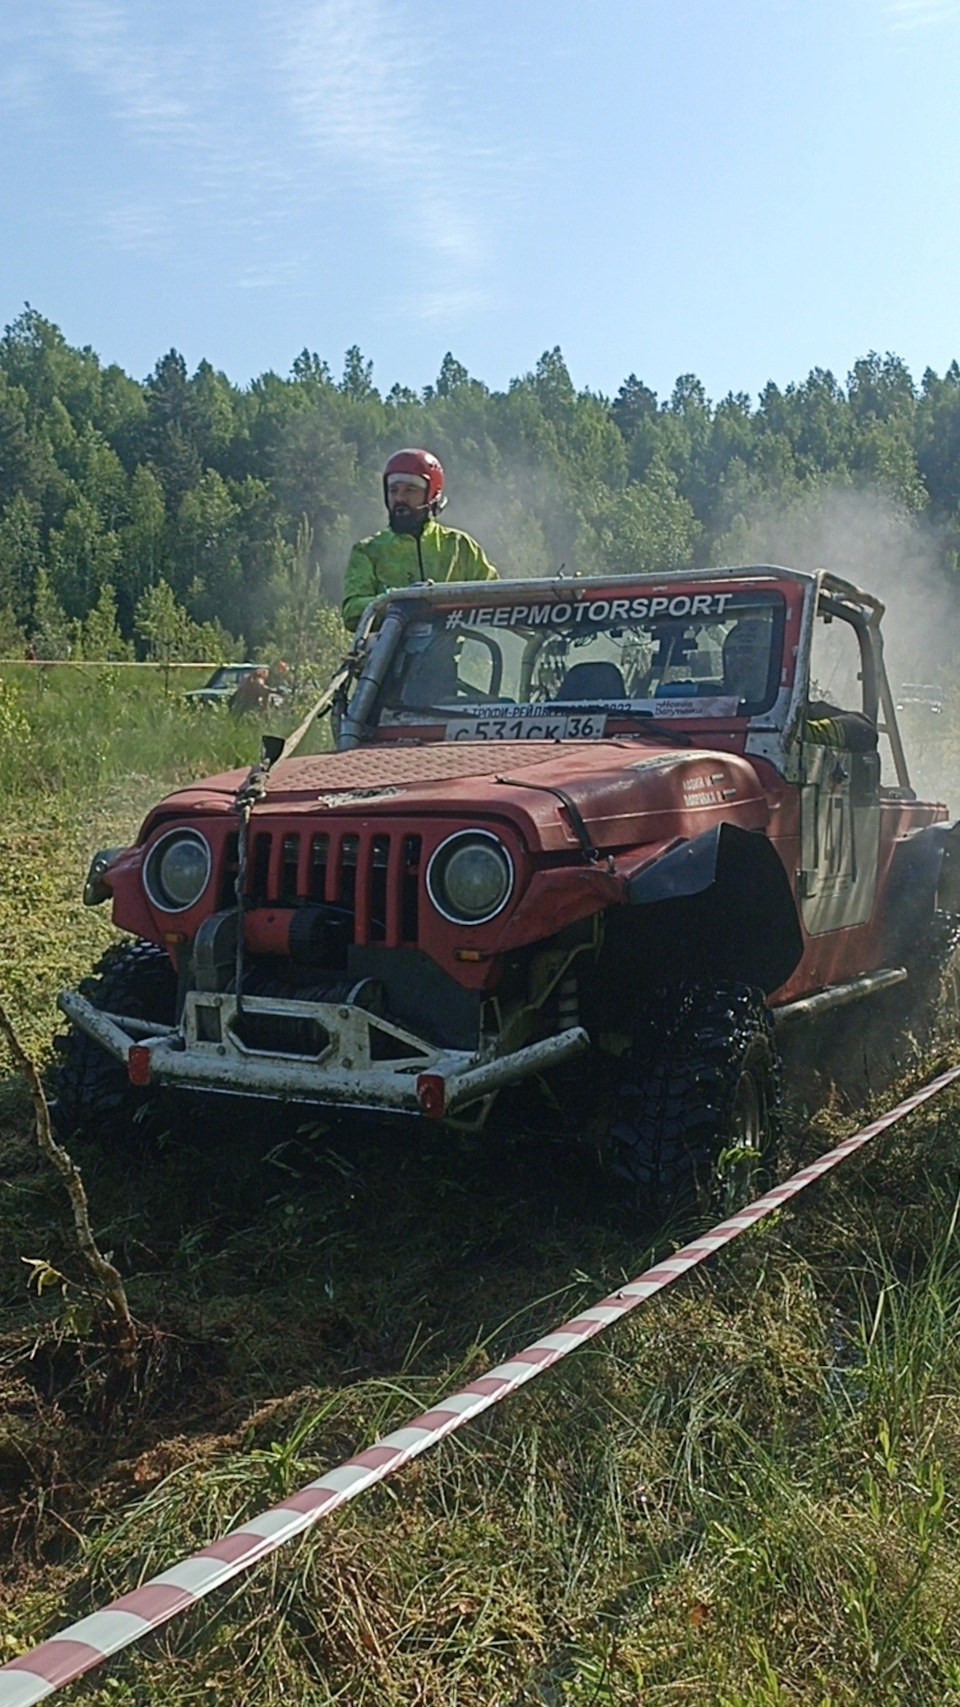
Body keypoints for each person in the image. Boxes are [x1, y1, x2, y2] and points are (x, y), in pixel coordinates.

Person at [341, 449, 498, 631]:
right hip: (389, 658)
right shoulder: (368, 551)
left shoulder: (459, 547)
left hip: (451, 657)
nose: (400, 498)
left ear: (432, 496)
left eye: (410, 490)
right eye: (393, 490)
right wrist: (399, 600)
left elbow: (495, 600)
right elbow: (352, 613)